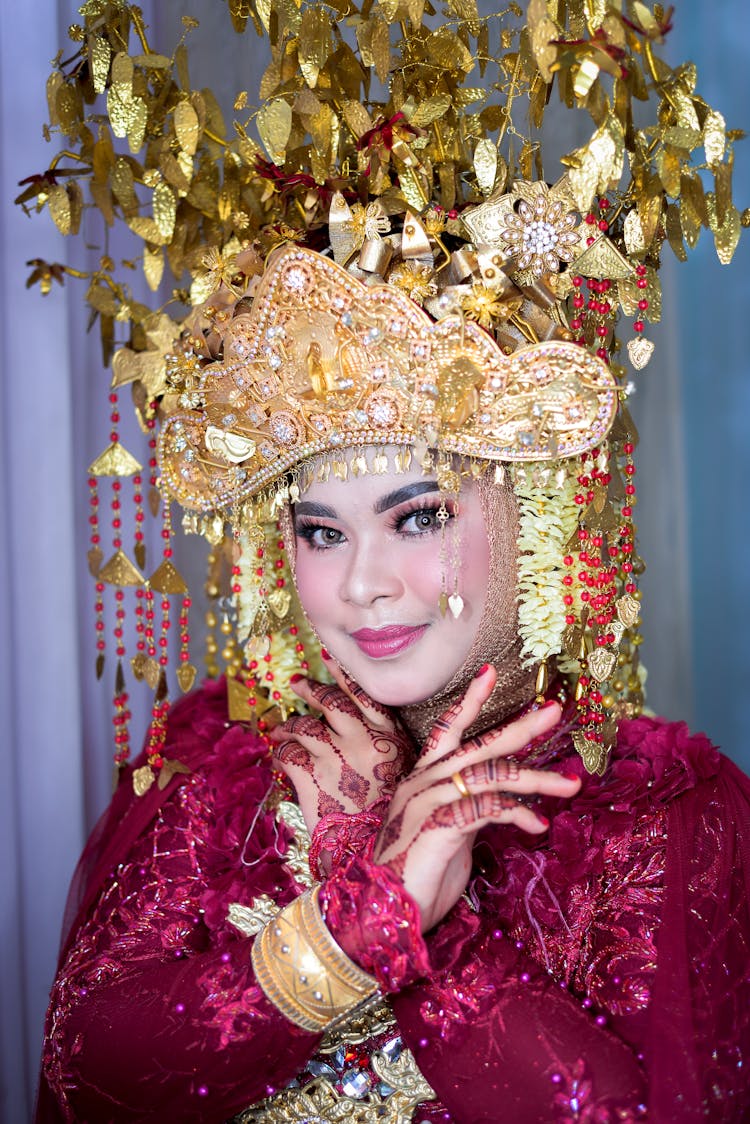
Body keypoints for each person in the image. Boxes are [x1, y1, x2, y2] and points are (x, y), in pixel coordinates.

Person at [28, 1, 750, 1121]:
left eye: (414, 515)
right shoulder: (213, 764)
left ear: (535, 504)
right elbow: (88, 1079)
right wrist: (359, 915)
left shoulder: (663, 806)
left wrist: (419, 911)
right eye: (321, 530)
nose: (361, 582)